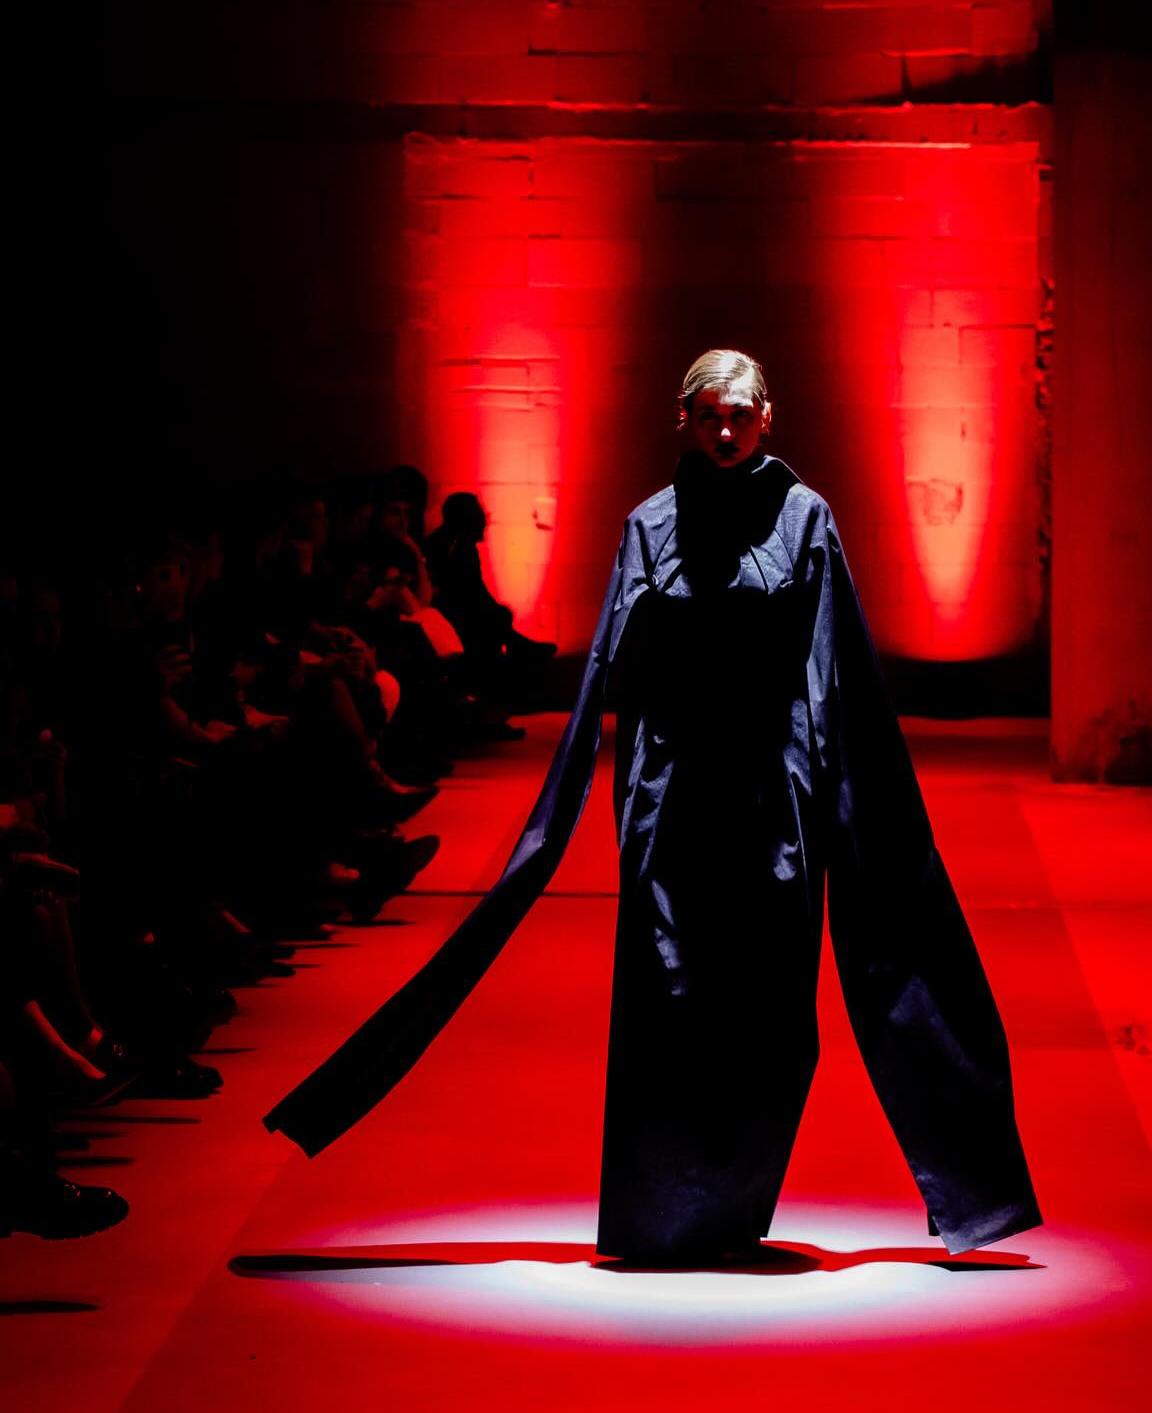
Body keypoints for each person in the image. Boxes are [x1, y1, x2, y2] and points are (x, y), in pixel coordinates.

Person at [265, 349, 1041, 1262]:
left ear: (767, 417)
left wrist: (824, 788)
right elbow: (616, 661)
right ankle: (662, 1218)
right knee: (670, 1000)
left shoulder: (805, 518)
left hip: (773, 799)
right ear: (685, 419)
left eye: (740, 416)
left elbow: (833, 666)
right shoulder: (651, 524)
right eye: (710, 416)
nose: (726, 432)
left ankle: (732, 1211)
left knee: (768, 1010)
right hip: (673, 799)